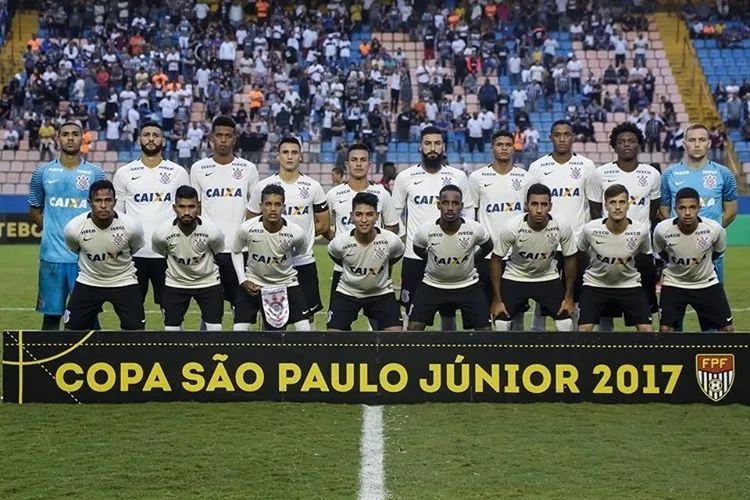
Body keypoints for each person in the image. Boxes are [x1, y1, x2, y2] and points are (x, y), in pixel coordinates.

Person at [392, 126, 473, 330]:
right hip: (415, 256)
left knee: (448, 311)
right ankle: (410, 356)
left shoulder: (458, 177)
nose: (432, 148)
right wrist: (405, 239)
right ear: (420, 146)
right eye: (428, 143)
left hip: (450, 254)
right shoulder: (405, 177)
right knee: (411, 312)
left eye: (437, 143)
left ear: (443, 147)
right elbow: (393, 213)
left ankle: (448, 355)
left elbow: (469, 212)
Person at [28, 121, 107, 330]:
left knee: (89, 319)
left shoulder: (95, 174)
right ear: (58, 139)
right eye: (65, 134)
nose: (70, 138)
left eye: (75, 134)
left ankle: (95, 361)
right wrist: (53, 231)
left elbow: (105, 210)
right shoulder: (42, 173)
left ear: (83, 139)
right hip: (52, 258)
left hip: (86, 260)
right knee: (51, 319)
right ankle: (51, 362)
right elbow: (35, 209)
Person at [659, 123, 737, 330]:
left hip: (711, 256)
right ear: (684, 144)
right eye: (692, 140)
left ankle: (706, 357)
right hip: (678, 254)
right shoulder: (669, 175)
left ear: (709, 144)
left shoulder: (724, 174)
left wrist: (711, 235)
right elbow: (664, 210)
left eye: (702, 140)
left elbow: (731, 211)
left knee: (712, 317)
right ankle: (674, 358)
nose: (697, 144)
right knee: (673, 321)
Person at [246, 137, 329, 322]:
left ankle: (307, 351)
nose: (290, 157)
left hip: (303, 260)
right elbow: (250, 222)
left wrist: (301, 236)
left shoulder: (313, 186)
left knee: (308, 316)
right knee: (272, 315)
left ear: (300, 156)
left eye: (294, 152)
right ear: (278, 156)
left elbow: (323, 223)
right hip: (271, 262)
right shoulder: (263, 186)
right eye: (285, 152)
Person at [588, 122, 661, 330]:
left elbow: (653, 212)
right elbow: (595, 212)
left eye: (631, 141)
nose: (626, 145)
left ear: (639, 144)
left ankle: (645, 351)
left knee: (645, 307)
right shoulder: (600, 174)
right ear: (614, 146)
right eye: (621, 142)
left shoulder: (652, 174)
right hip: (607, 248)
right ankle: (605, 349)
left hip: (640, 252)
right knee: (605, 307)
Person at [190, 116, 259, 328]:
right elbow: (196, 209)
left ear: (234, 139)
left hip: (241, 250)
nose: (223, 140)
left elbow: (255, 211)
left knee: (243, 311)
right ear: (211, 138)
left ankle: (243, 354)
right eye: (218, 135)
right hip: (211, 251)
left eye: (227, 136)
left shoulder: (248, 169)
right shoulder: (199, 168)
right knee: (209, 312)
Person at [113, 121, 190, 309]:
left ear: (163, 141)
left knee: (171, 310)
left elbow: (187, 211)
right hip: (134, 254)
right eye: (146, 135)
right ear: (139, 139)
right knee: (132, 309)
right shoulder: (124, 173)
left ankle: (170, 338)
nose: (151, 139)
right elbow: (118, 216)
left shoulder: (178, 172)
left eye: (155, 135)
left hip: (167, 253)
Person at [528, 120, 596, 330]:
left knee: (573, 296)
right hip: (546, 244)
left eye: (566, 134)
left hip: (576, 244)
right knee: (543, 296)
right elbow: (532, 206)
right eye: (557, 135)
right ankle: (536, 337)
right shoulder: (537, 167)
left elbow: (593, 205)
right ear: (551, 138)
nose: (562, 139)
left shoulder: (586, 166)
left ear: (573, 136)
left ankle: (572, 342)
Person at [489, 183, 576, 332]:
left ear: (550, 206)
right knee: (501, 321)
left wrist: (569, 297)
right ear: (526, 205)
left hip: (547, 276)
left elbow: (571, 258)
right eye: (534, 204)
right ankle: (505, 355)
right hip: (516, 276)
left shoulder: (561, 225)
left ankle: (564, 356)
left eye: (544, 204)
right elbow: (495, 259)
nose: (539, 210)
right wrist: (497, 300)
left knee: (566, 321)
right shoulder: (512, 227)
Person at [407, 185, 493, 331]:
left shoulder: (474, 229)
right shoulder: (425, 230)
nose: (450, 207)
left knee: (485, 330)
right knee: (414, 327)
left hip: (468, 285)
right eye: (446, 203)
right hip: (433, 285)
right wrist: (431, 260)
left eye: (455, 203)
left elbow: (488, 246)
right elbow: (418, 249)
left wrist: (473, 260)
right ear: (439, 205)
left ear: (461, 206)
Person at [62, 180, 146, 330]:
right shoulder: (74, 228)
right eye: (98, 200)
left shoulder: (131, 226)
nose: (103, 205)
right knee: (71, 331)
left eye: (108, 200)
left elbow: (135, 248)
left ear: (115, 202)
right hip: (89, 281)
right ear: (89, 202)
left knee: (136, 333)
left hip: (124, 281)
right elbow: (74, 249)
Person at [324, 144, 399, 309]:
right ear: (347, 165)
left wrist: (381, 250)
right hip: (343, 270)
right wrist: (338, 243)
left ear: (369, 165)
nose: (358, 164)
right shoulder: (333, 195)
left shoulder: (382, 194)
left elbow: (393, 227)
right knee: (338, 329)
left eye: (363, 160)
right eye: (354, 160)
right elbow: (325, 226)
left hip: (376, 270)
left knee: (380, 327)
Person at [468, 129, 532, 313]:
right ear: (492, 148)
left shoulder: (526, 178)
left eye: (508, 145)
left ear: (514, 148)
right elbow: (472, 213)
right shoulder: (477, 177)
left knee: (517, 311)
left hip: (517, 255)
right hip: (488, 254)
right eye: (499, 145)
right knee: (487, 308)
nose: (504, 148)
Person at [653, 187, 733, 332]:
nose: (688, 212)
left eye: (692, 207)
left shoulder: (714, 229)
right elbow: (661, 252)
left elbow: (717, 252)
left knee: (727, 329)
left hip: (706, 283)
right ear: (675, 209)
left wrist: (700, 264)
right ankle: (671, 356)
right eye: (682, 208)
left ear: (699, 208)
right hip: (674, 283)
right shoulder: (662, 230)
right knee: (665, 330)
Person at [233, 184, 310, 331]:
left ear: (284, 207)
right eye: (268, 204)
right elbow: (236, 251)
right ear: (261, 206)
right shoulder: (246, 228)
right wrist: (243, 280)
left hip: (287, 283)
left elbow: (301, 252)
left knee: (305, 331)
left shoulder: (296, 232)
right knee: (239, 331)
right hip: (253, 284)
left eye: (277, 204)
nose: (273, 209)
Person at [577, 184, 653, 332]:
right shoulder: (590, 229)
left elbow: (644, 259)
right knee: (584, 330)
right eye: (612, 202)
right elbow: (581, 253)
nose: (617, 207)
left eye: (622, 202)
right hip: (595, 284)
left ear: (628, 205)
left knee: (647, 331)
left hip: (629, 284)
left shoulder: (641, 231)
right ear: (605, 205)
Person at [152, 185, 225, 332]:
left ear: (198, 207)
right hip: (176, 283)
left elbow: (217, 251)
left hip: (208, 282)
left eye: (191, 207)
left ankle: (210, 355)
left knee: (215, 329)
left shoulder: (213, 231)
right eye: (182, 207)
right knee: (171, 330)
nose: (186, 212)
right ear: (174, 208)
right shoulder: (161, 233)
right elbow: (161, 251)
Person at [327, 192, 405, 331]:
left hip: (380, 292)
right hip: (348, 292)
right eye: (359, 214)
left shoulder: (391, 241)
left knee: (395, 337)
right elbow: (335, 256)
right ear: (351, 216)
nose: (364, 220)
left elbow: (396, 255)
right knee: (333, 335)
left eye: (369, 214)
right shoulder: (339, 243)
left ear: (377, 216)